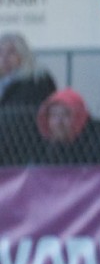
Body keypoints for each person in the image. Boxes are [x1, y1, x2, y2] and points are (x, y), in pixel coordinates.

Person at [31, 88, 100, 166]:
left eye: (66, 114)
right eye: (53, 115)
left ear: (79, 117)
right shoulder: (49, 152)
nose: (59, 122)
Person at [0, 32, 57, 165]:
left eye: (11, 52)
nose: (4, 57)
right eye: (0, 52)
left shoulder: (37, 81)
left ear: (23, 55)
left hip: (26, 148)